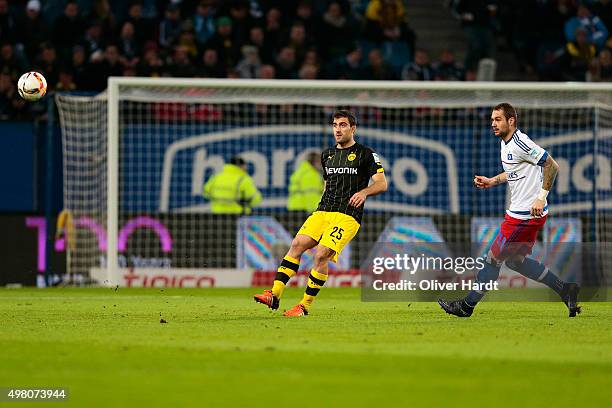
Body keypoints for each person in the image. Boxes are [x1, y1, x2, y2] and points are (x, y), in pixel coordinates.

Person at [438, 103, 581, 318]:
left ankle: (466, 306)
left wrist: (541, 198)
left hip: (523, 217)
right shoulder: (506, 144)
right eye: (492, 119)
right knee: (516, 262)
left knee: (492, 259)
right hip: (524, 215)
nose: (493, 123)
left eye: (498, 119)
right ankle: (565, 289)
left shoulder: (521, 142)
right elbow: (514, 171)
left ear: (511, 121)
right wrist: (492, 181)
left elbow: (552, 165)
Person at [254, 110, 387, 317]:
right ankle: (274, 294)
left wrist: (364, 192)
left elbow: (381, 184)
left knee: (322, 253)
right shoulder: (327, 155)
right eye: (335, 125)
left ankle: (304, 306)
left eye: (342, 125)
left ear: (353, 128)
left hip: (347, 215)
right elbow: (327, 185)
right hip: (323, 211)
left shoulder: (366, 154)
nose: (337, 129)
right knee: (297, 244)